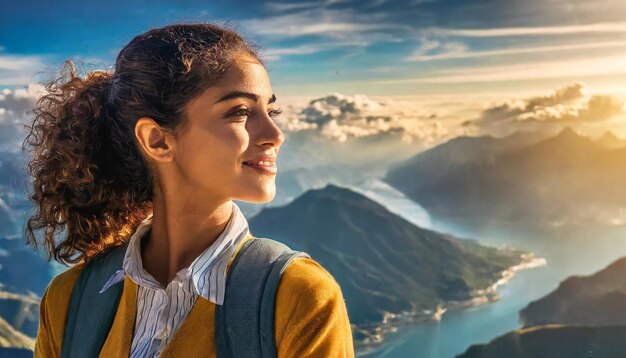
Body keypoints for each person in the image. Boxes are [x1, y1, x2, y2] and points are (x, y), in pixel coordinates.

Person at [25, 22, 355, 357]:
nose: (275, 133)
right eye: (240, 112)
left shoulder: (301, 298)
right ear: (157, 140)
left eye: (270, 111)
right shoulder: (67, 303)